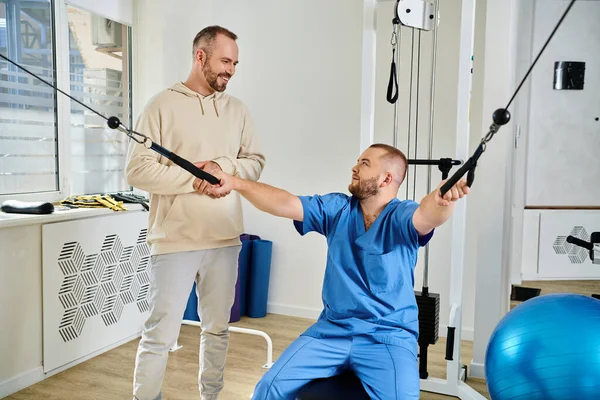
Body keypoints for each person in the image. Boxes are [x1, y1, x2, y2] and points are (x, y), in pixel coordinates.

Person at [205, 143, 470, 400]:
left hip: (388, 336)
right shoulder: (338, 209)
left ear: (386, 178)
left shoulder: (401, 215)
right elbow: (285, 202)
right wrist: (235, 182)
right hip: (332, 330)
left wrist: (441, 200)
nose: (354, 168)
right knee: (268, 387)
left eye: (364, 164)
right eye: (357, 162)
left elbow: (427, 215)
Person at [125, 25, 265, 400]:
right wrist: (194, 178)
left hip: (225, 238)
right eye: (224, 60)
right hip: (175, 240)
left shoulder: (238, 110)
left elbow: (254, 162)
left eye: (235, 63)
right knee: (160, 336)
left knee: (217, 330)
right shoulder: (160, 105)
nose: (231, 70)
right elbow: (137, 171)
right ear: (200, 56)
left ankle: (211, 396)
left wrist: (223, 168)